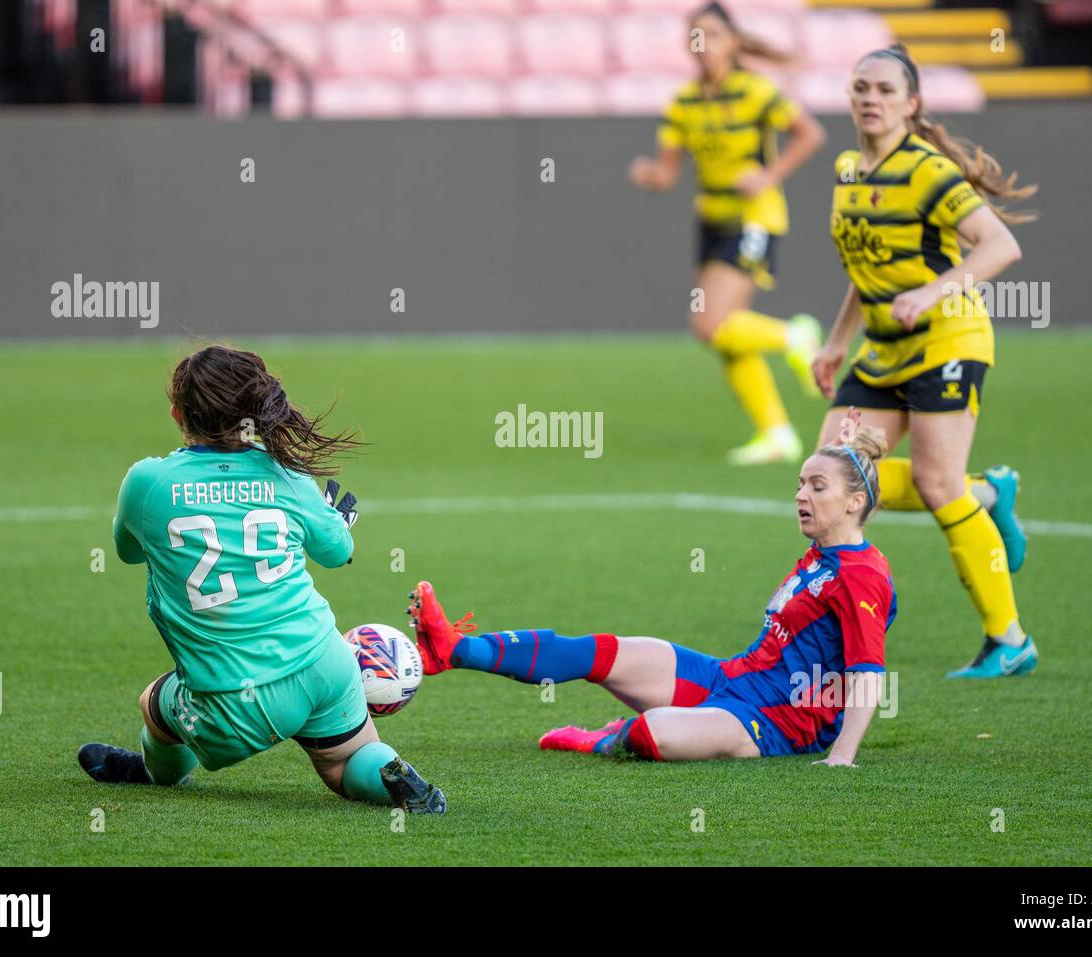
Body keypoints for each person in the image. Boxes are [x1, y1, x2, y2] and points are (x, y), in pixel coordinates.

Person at [77, 345, 444, 812]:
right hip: (325, 661)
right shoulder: (289, 475)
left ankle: (155, 773)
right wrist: (336, 521)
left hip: (234, 699)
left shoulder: (148, 482)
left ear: (177, 414)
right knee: (346, 761)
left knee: (155, 702)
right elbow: (338, 553)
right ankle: (393, 775)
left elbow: (128, 552)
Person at [409, 418, 895, 765]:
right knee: (600, 652)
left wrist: (842, 757)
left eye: (817, 487)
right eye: (800, 484)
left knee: (651, 734)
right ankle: (454, 648)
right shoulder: (826, 551)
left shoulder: (862, 575)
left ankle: (603, 739)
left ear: (855, 502)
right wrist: (845, 450)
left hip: (776, 724)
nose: (800, 496)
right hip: (731, 678)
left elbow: (867, 674)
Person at [811, 44, 1039, 679]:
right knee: (834, 480)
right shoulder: (848, 167)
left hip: (947, 339)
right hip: (882, 347)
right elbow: (867, 265)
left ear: (911, 104)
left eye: (885, 89)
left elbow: (1001, 246)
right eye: (861, 87)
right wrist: (836, 341)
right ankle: (990, 493)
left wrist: (935, 291)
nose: (870, 98)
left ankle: (1009, 639)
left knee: (938, 484)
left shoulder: (929, 171)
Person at [629, 1, 828, 465]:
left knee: (709, 323)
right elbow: (668, 171)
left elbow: (809, 134)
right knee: (722, 334)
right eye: (695, 36)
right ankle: (777, 433)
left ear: (733, 41)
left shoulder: (756, 91)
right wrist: (650, 176)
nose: (703, 45)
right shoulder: (683, 102)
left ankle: (795, 337)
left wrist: (768, 175)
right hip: (712, 218)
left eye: (713, 35)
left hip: (755, 216)